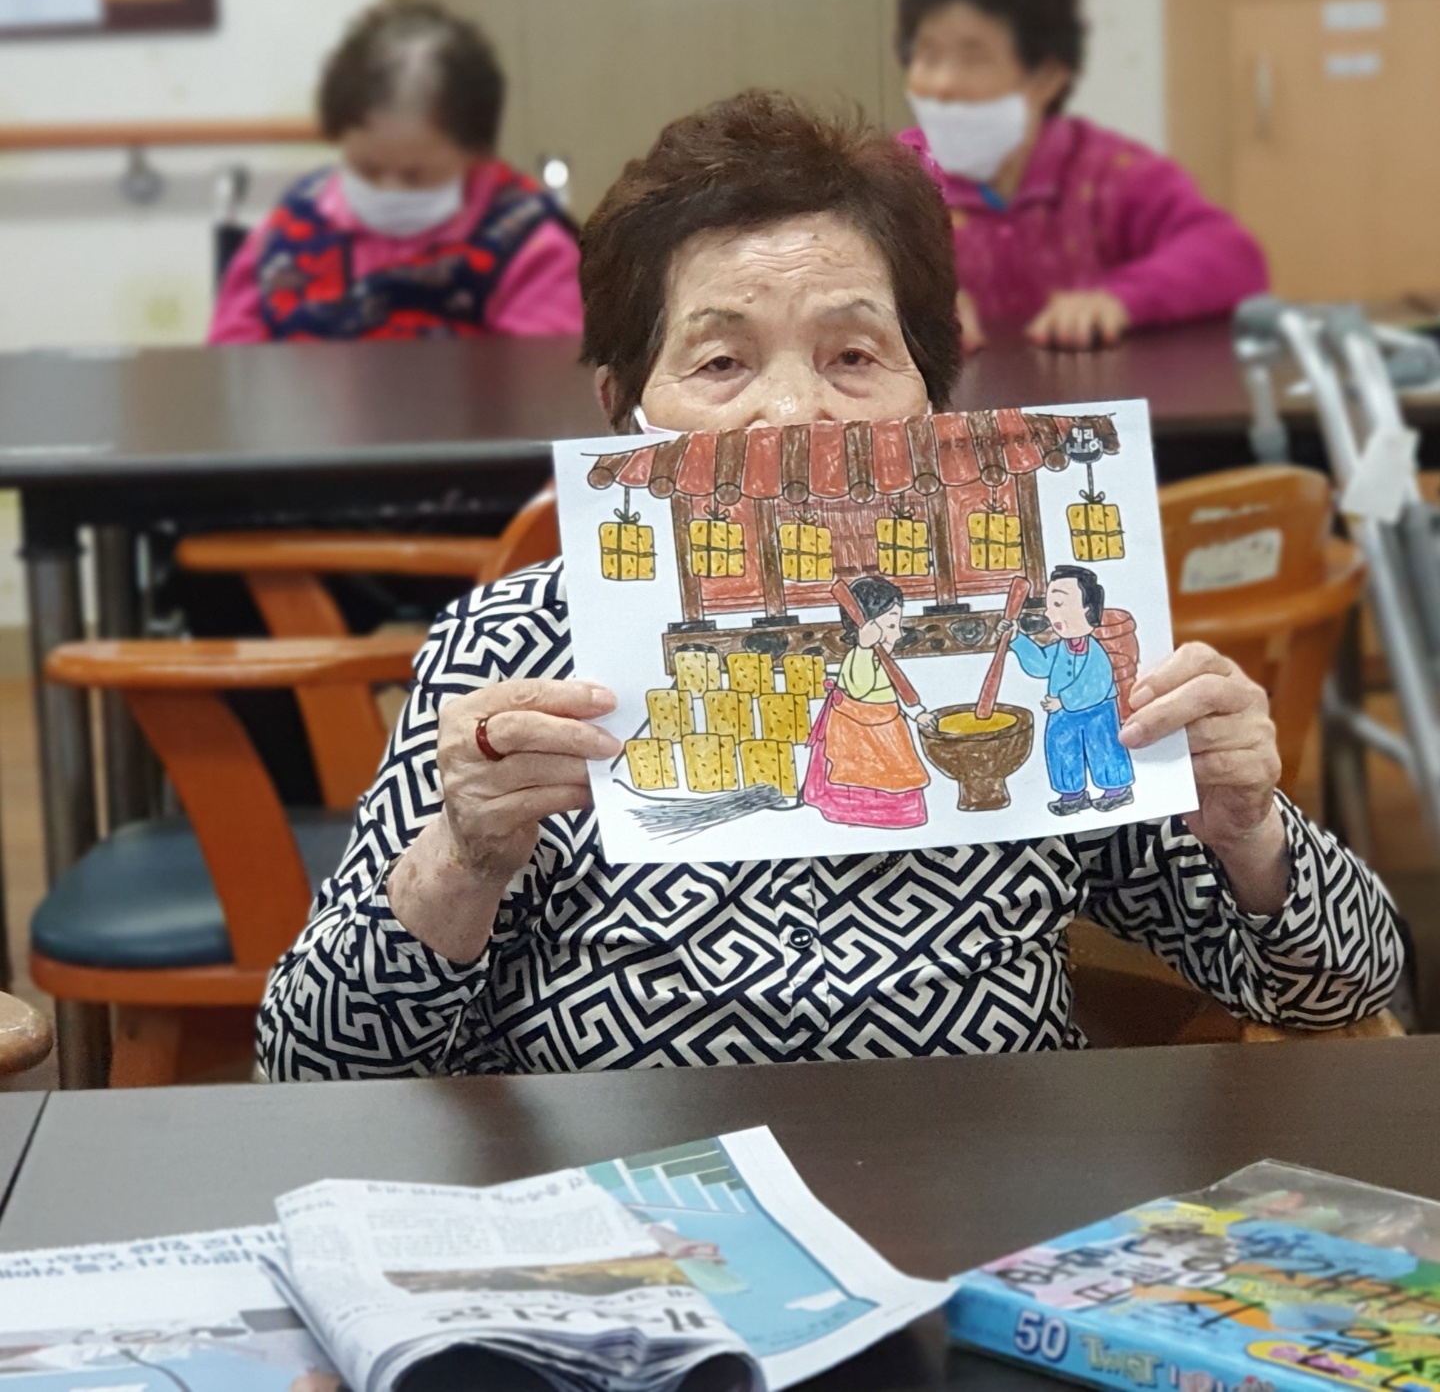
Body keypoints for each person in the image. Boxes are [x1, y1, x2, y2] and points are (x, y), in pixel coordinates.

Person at [259, 92, 1400, 1080]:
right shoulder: (511, 645)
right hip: (635, 1206)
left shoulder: (1052, 630)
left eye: (854, 356)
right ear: (625, 406)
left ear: (933, 397)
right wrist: (459, 862)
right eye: (721, 361)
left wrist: (1251, 830)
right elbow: (311, 1061)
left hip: (976, 1190)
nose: (795, 411)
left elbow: (1350, 983)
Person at [896, 0, 1268, 352]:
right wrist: (910, 306)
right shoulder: (900, 173)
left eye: (973, 59)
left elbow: (1232, 255)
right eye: (927, 57)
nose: (941, 83)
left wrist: (1121, 298)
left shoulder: (1106, 173)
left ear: (1047, 77)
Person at [209, 2, 581, 343]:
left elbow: (543, 376)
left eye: (416, 175)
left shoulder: (530, 245)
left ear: (476, 154)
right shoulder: (291, 227)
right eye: (367, 169)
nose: (389, 189)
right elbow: (232, 363)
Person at [804, 577, 936, 828]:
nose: (897, 634)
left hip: (888, 728)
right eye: (891, 625)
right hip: (858, 732)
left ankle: (896, 813)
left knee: (896, 773)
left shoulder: (883, 659)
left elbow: (898, 691)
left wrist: (917, 713)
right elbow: (859, 688)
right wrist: (864, 649)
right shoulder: (858, 657)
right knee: (860, 774)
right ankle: (856, 813)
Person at [1006, 565, 1135, 816]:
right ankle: (1072, 795)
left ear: (1087, 609)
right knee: (1062, 749)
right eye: (1049, 605)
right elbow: (1040, 665)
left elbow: (1097, 684)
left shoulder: (1095, 651)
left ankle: (1116, 790)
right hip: (1063, 714)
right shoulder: (1061, 647)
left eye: (1058, 604)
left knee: (1104, 748)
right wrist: (1017, 640)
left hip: (1097, 711)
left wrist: (1063, 701)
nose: (1049, 612)